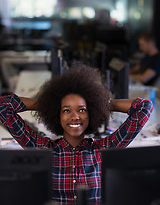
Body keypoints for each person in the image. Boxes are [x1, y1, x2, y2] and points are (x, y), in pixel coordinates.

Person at [0, 64, 153, 205]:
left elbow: (144, 107)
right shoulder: (43, 149)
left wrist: (103, 105)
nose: (75, 116)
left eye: (82, 110)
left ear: (91, 113)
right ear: (56, 114)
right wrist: (45, 105)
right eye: (66, 110)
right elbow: (3, 106)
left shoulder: (104, 149)